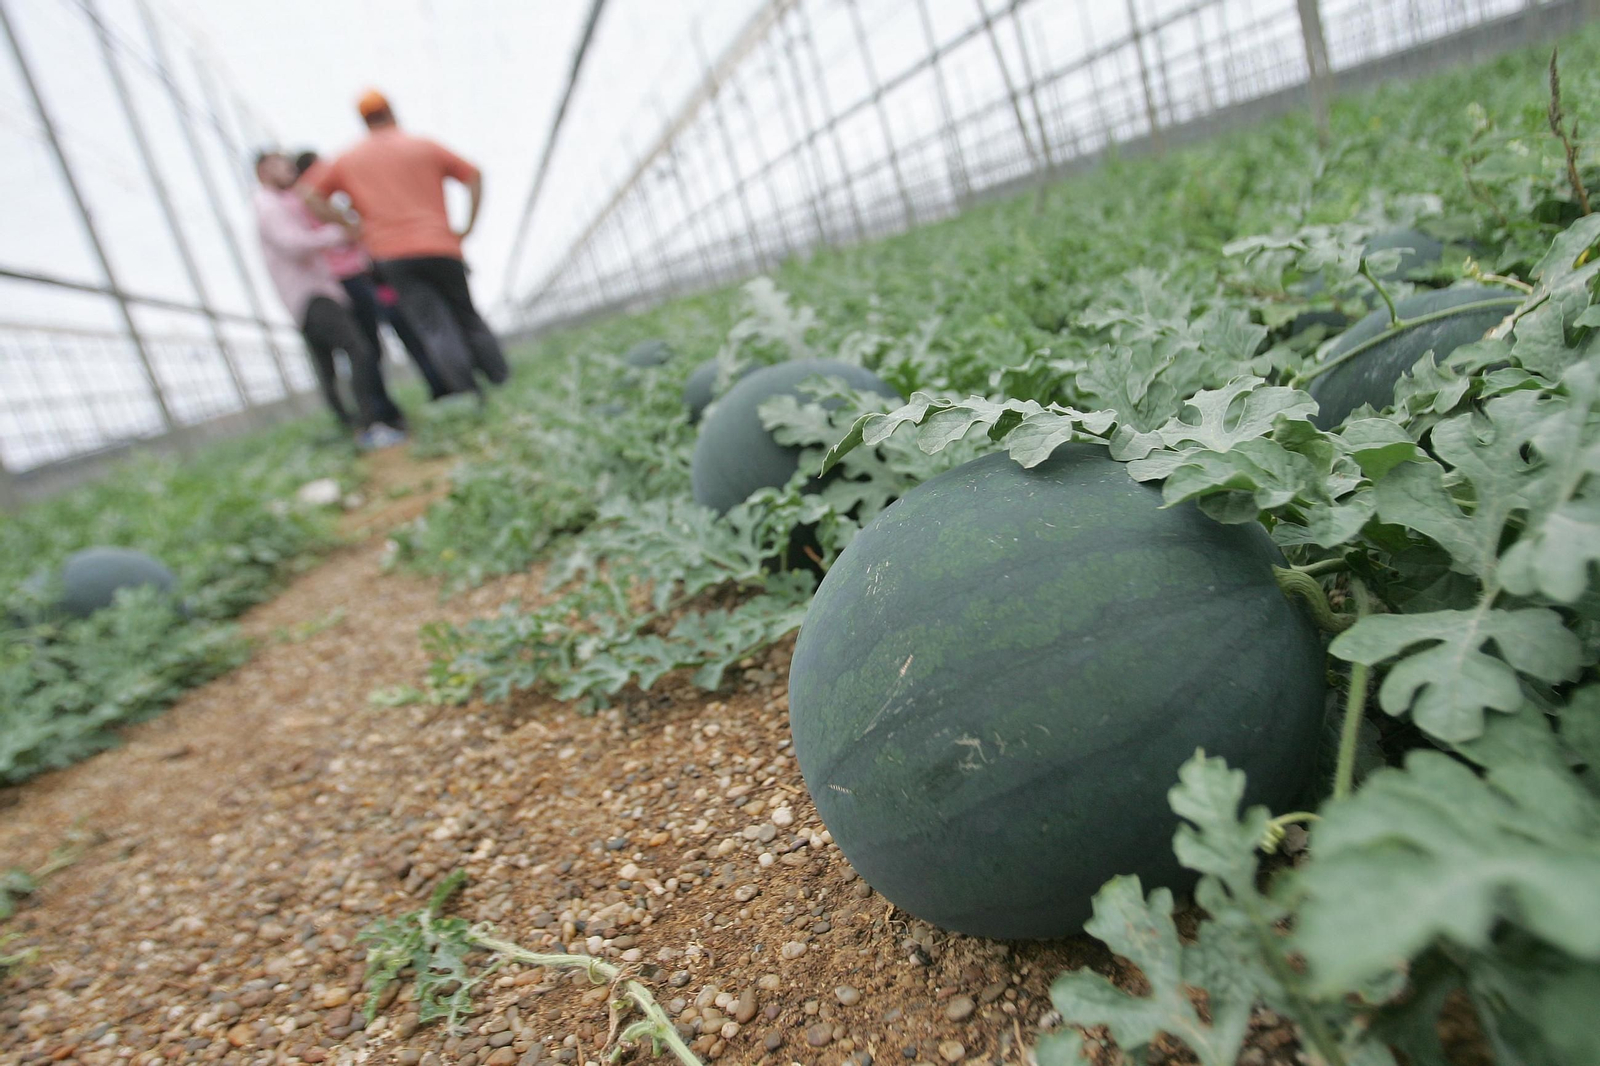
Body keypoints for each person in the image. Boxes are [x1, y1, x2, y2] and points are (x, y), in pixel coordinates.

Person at [302, 90, 508, 396]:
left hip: (391, 254)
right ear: (391, 112)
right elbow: (473, 175)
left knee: (433, 324)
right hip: (441, 244)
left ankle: (467, 390)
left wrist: (350, 226)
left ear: (364, 120)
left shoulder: (348, 158)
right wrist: (467, 226)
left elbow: (309, 195)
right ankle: (501, 380)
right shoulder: (422, 146)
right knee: (466, 315)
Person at [251, 150, 407, 449]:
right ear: (263, 172)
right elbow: (293, 244)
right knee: (358, 349)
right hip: (310, 294)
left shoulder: (281, 202)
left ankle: (353, 427)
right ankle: (370, 426)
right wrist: (336, 233)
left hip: (312, 293)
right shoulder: (268, 205)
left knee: (329, 365)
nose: (287, 169)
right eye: (279, 165)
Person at [293, 150, 453, 400]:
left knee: (405, 327)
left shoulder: (332, 204)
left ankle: (439, 385)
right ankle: (381, 406)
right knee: (368, 345)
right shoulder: (307, 206)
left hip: (369, 274)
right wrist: (345, 230)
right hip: (347, 281)